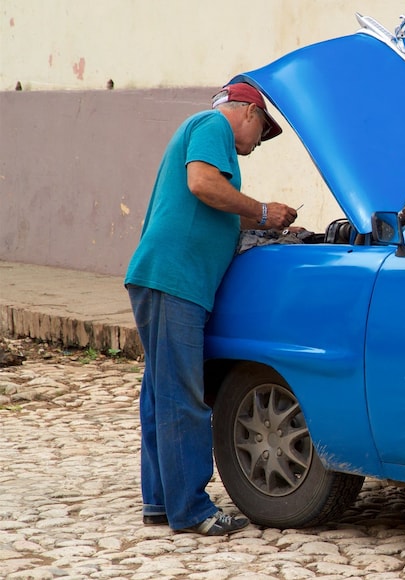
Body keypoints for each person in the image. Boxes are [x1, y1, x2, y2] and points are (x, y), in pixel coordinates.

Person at [124, 82, 297, 535]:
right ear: (246, 112)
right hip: (174, 279)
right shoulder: (211, 124)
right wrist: (262, 211)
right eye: (263, 130)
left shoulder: (213, 143)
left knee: (162, 393)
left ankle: (161, 502)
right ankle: (193, 510)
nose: (259, 141)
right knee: (183, 394)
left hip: (166, 278)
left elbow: (219, 207)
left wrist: (265, 219)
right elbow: (202, 183)